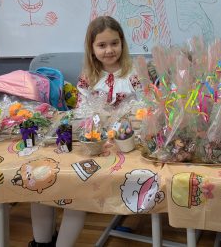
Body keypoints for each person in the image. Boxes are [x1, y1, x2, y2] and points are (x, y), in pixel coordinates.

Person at [29, 16, 140, 247]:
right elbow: (81, 112)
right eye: (102, 45)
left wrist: (124, 122)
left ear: (122, 43)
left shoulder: (134, 73)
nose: (109, 50)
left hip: (124, 145)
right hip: (92, 143)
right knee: (41, 182)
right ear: (92, 48)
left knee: (75, 193)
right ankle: (41, 242)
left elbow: (145, 108)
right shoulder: (89, 78)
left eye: (114, 43)